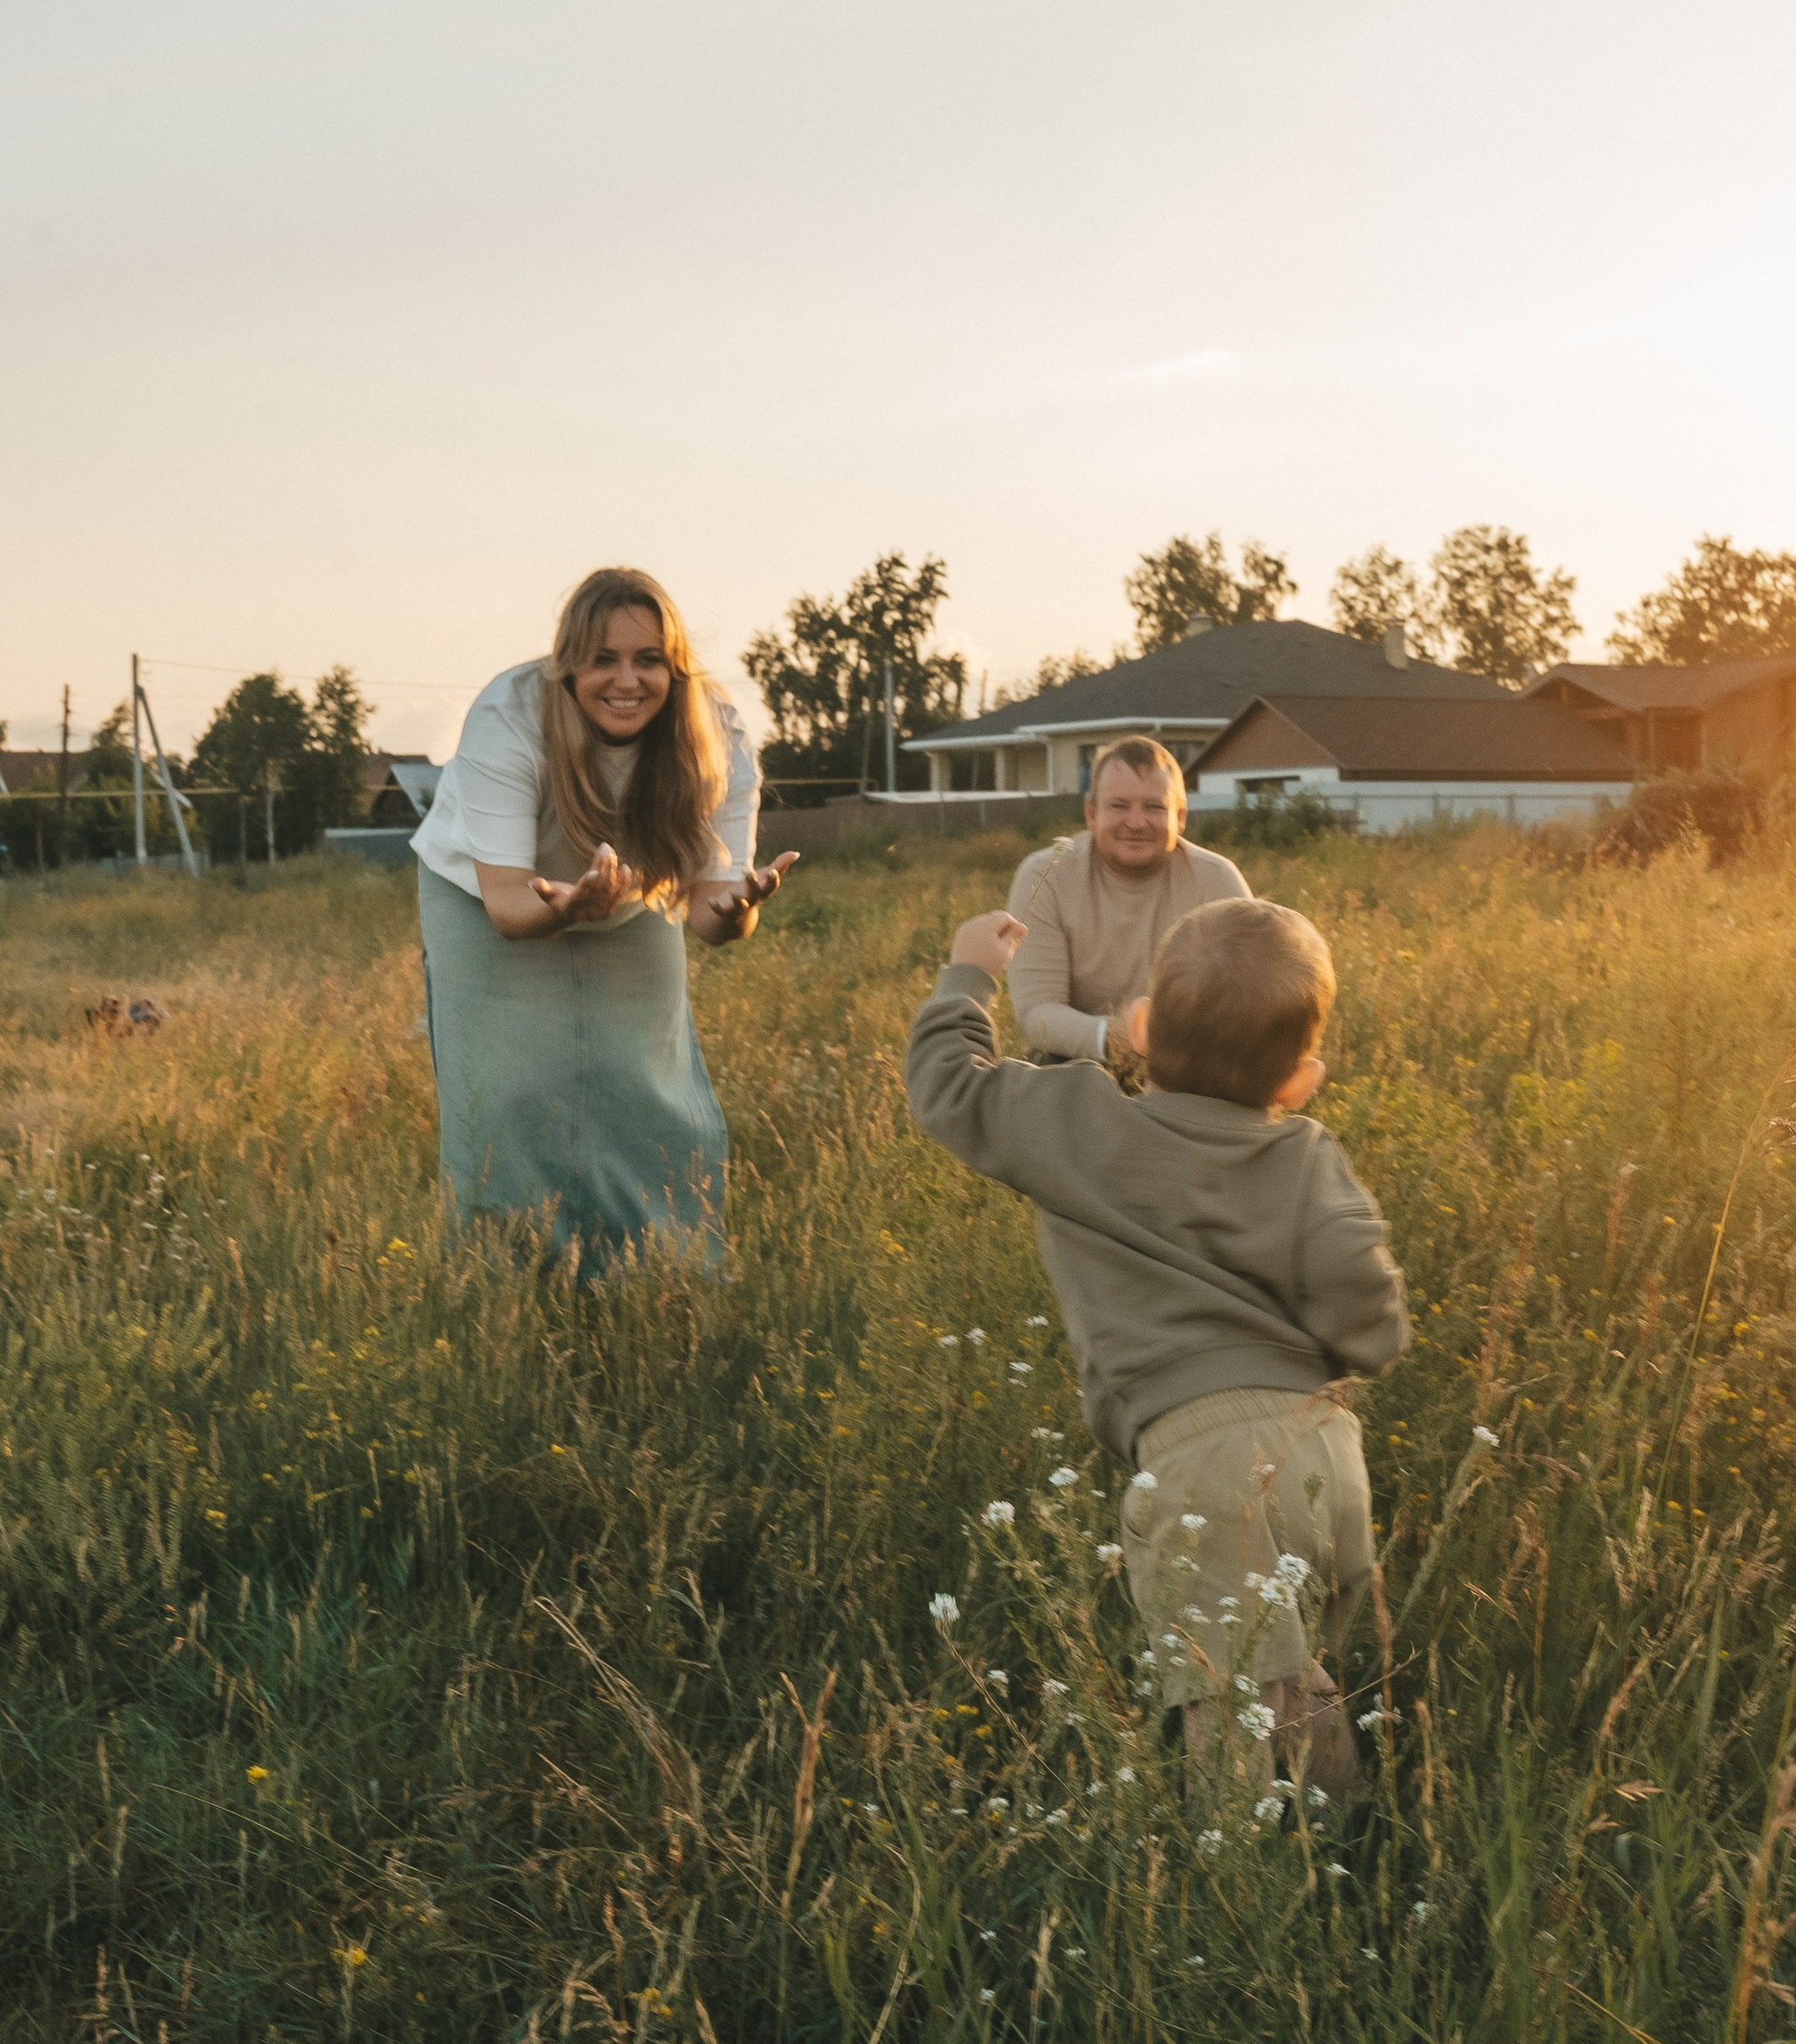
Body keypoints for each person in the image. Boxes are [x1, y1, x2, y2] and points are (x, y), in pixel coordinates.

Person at [906, 891, 1408, 1816]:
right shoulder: (1305, 1154)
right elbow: (1371, 1315)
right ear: (1300, 1079)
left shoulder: (1079, 1125)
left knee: (1225, 1701)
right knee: (1291, 1675)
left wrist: (971, 971)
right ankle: (1354, 1841)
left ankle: (1242, 1906)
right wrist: (1330, 1348)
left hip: (1200, 1461)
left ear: (1137, 1030)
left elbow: (948, 1086)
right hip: (1325, 1452)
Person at [413, 565, 795, 1272]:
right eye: (603, 660)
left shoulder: (717, 733)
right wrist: (569, 907)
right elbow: (506, 904)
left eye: (649, 659)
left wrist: (739, 909)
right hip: (484, 897)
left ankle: (659, 1272)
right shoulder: (510, 713)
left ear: (675, 668)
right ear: (568, 668)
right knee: (509, 1094)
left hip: (628, 896)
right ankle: (508, 1279)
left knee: (643, 1079)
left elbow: (713, 916)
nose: (627, 681)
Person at [1006, 735, 1249, 1064]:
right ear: (1091, 815)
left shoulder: (1217, 880)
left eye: (1154, 807)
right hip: (1080, 1061)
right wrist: (1119, 1040)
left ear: (1180, 817)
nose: (1136, 823)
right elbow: (1037, 1014)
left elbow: (1251, 1000)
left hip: (1190, 1062)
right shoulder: (1045, 876)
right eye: (1119, 806)